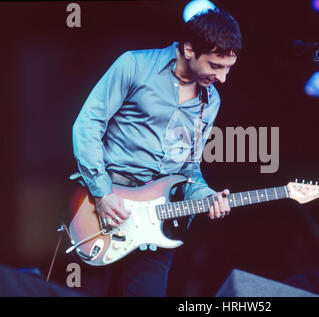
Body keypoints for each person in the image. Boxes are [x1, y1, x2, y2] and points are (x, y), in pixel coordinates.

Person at [71, 8, 242, 296]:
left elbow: (189, 169)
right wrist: (102, 194)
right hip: (103, 207)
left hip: (157, 225)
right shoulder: (135, 65)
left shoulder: (210, 101)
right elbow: (87, 125)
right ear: (189, 49)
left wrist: (207, 196)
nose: (223, 77)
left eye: (228, 68)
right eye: (215, 65)